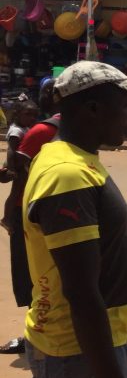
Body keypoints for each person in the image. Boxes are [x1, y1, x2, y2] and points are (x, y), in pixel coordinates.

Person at [21, 61, 127, 378]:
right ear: (93, 109)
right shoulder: (67, 175)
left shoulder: (78, 161)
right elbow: (81, 293)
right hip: (84, 356)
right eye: (125, 104)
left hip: (116, 337)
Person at [1, 90, 52, 356]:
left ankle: (35, 335)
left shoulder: (33, 134)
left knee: (29, 274)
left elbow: (14, 170)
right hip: (35, 210)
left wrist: (10, 205)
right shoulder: (27, 133)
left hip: (25, 210)